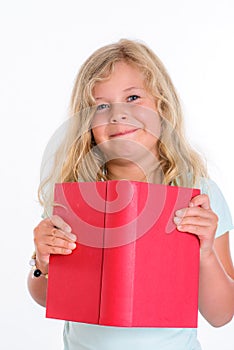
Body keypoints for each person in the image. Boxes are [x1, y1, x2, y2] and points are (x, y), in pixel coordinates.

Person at [28, 39, 234, 350]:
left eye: (133, 97)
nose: (118, 115)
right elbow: (46, 297)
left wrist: (204, 253)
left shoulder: (197, 194)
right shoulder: (75, 195)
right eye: (101, 106)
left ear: (162, 107)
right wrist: (41, 260)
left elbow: (221, 315)